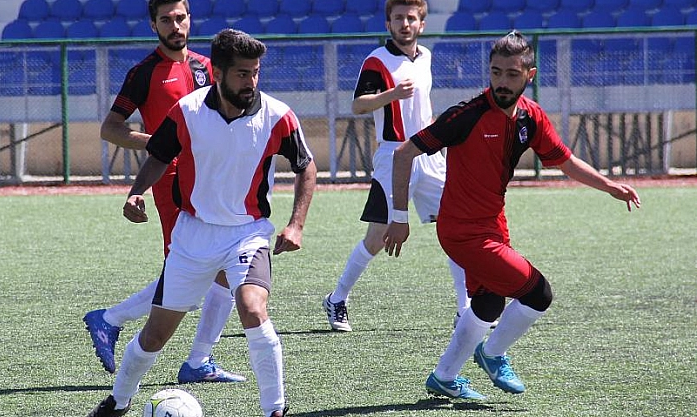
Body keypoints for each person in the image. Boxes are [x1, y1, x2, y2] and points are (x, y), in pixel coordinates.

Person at [384, 30, 641, 400]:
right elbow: (404, 153)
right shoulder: (466, 115)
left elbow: (565, 161)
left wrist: (609, 186)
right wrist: (399, 217)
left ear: (529, 76)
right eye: (496, 72)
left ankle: (444, 377)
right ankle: (492, 354)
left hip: (493, 224)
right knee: (539, 293)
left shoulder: (531, 117)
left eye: (512, 74)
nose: (502, 82)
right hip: (462, 232)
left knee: (488, 303)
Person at [87, 28, 317, 417]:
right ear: (219, 74)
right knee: (155, 335)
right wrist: (136, 192)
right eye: (242, 73)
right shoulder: (188, 111)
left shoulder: (278, 115)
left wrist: (296, 223)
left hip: (248, 233)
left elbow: (305, 166)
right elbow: (159, 155)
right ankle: (118, 402)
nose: (251, 81)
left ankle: (275, 409)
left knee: (252, 308)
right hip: (193, 236)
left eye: (256, 72)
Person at [84, 0, 243, 384]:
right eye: (166, 20)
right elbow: (110, 128)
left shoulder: (208, 67)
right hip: (172, 182)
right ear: (153, 25)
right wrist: (156, 141)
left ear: (190, 19)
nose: (175, 26)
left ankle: (197, 361)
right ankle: (111, 319)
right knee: (191, 273)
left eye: (180, 18)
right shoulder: (144, 73)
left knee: (225, 267)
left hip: (212, 180)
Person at [321, 0, 471, 332]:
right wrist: (391, 94)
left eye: (411, 18)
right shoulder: (377, 60)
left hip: (429, 155)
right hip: (392, 156)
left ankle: (466, 309)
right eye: (398, 17)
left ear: (422, 24)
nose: (405, 23)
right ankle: (337, 298)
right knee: (377, 237)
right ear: (388, 23)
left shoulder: (426, 57)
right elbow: (358, 105)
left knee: (457, 228)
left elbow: (423, 106)